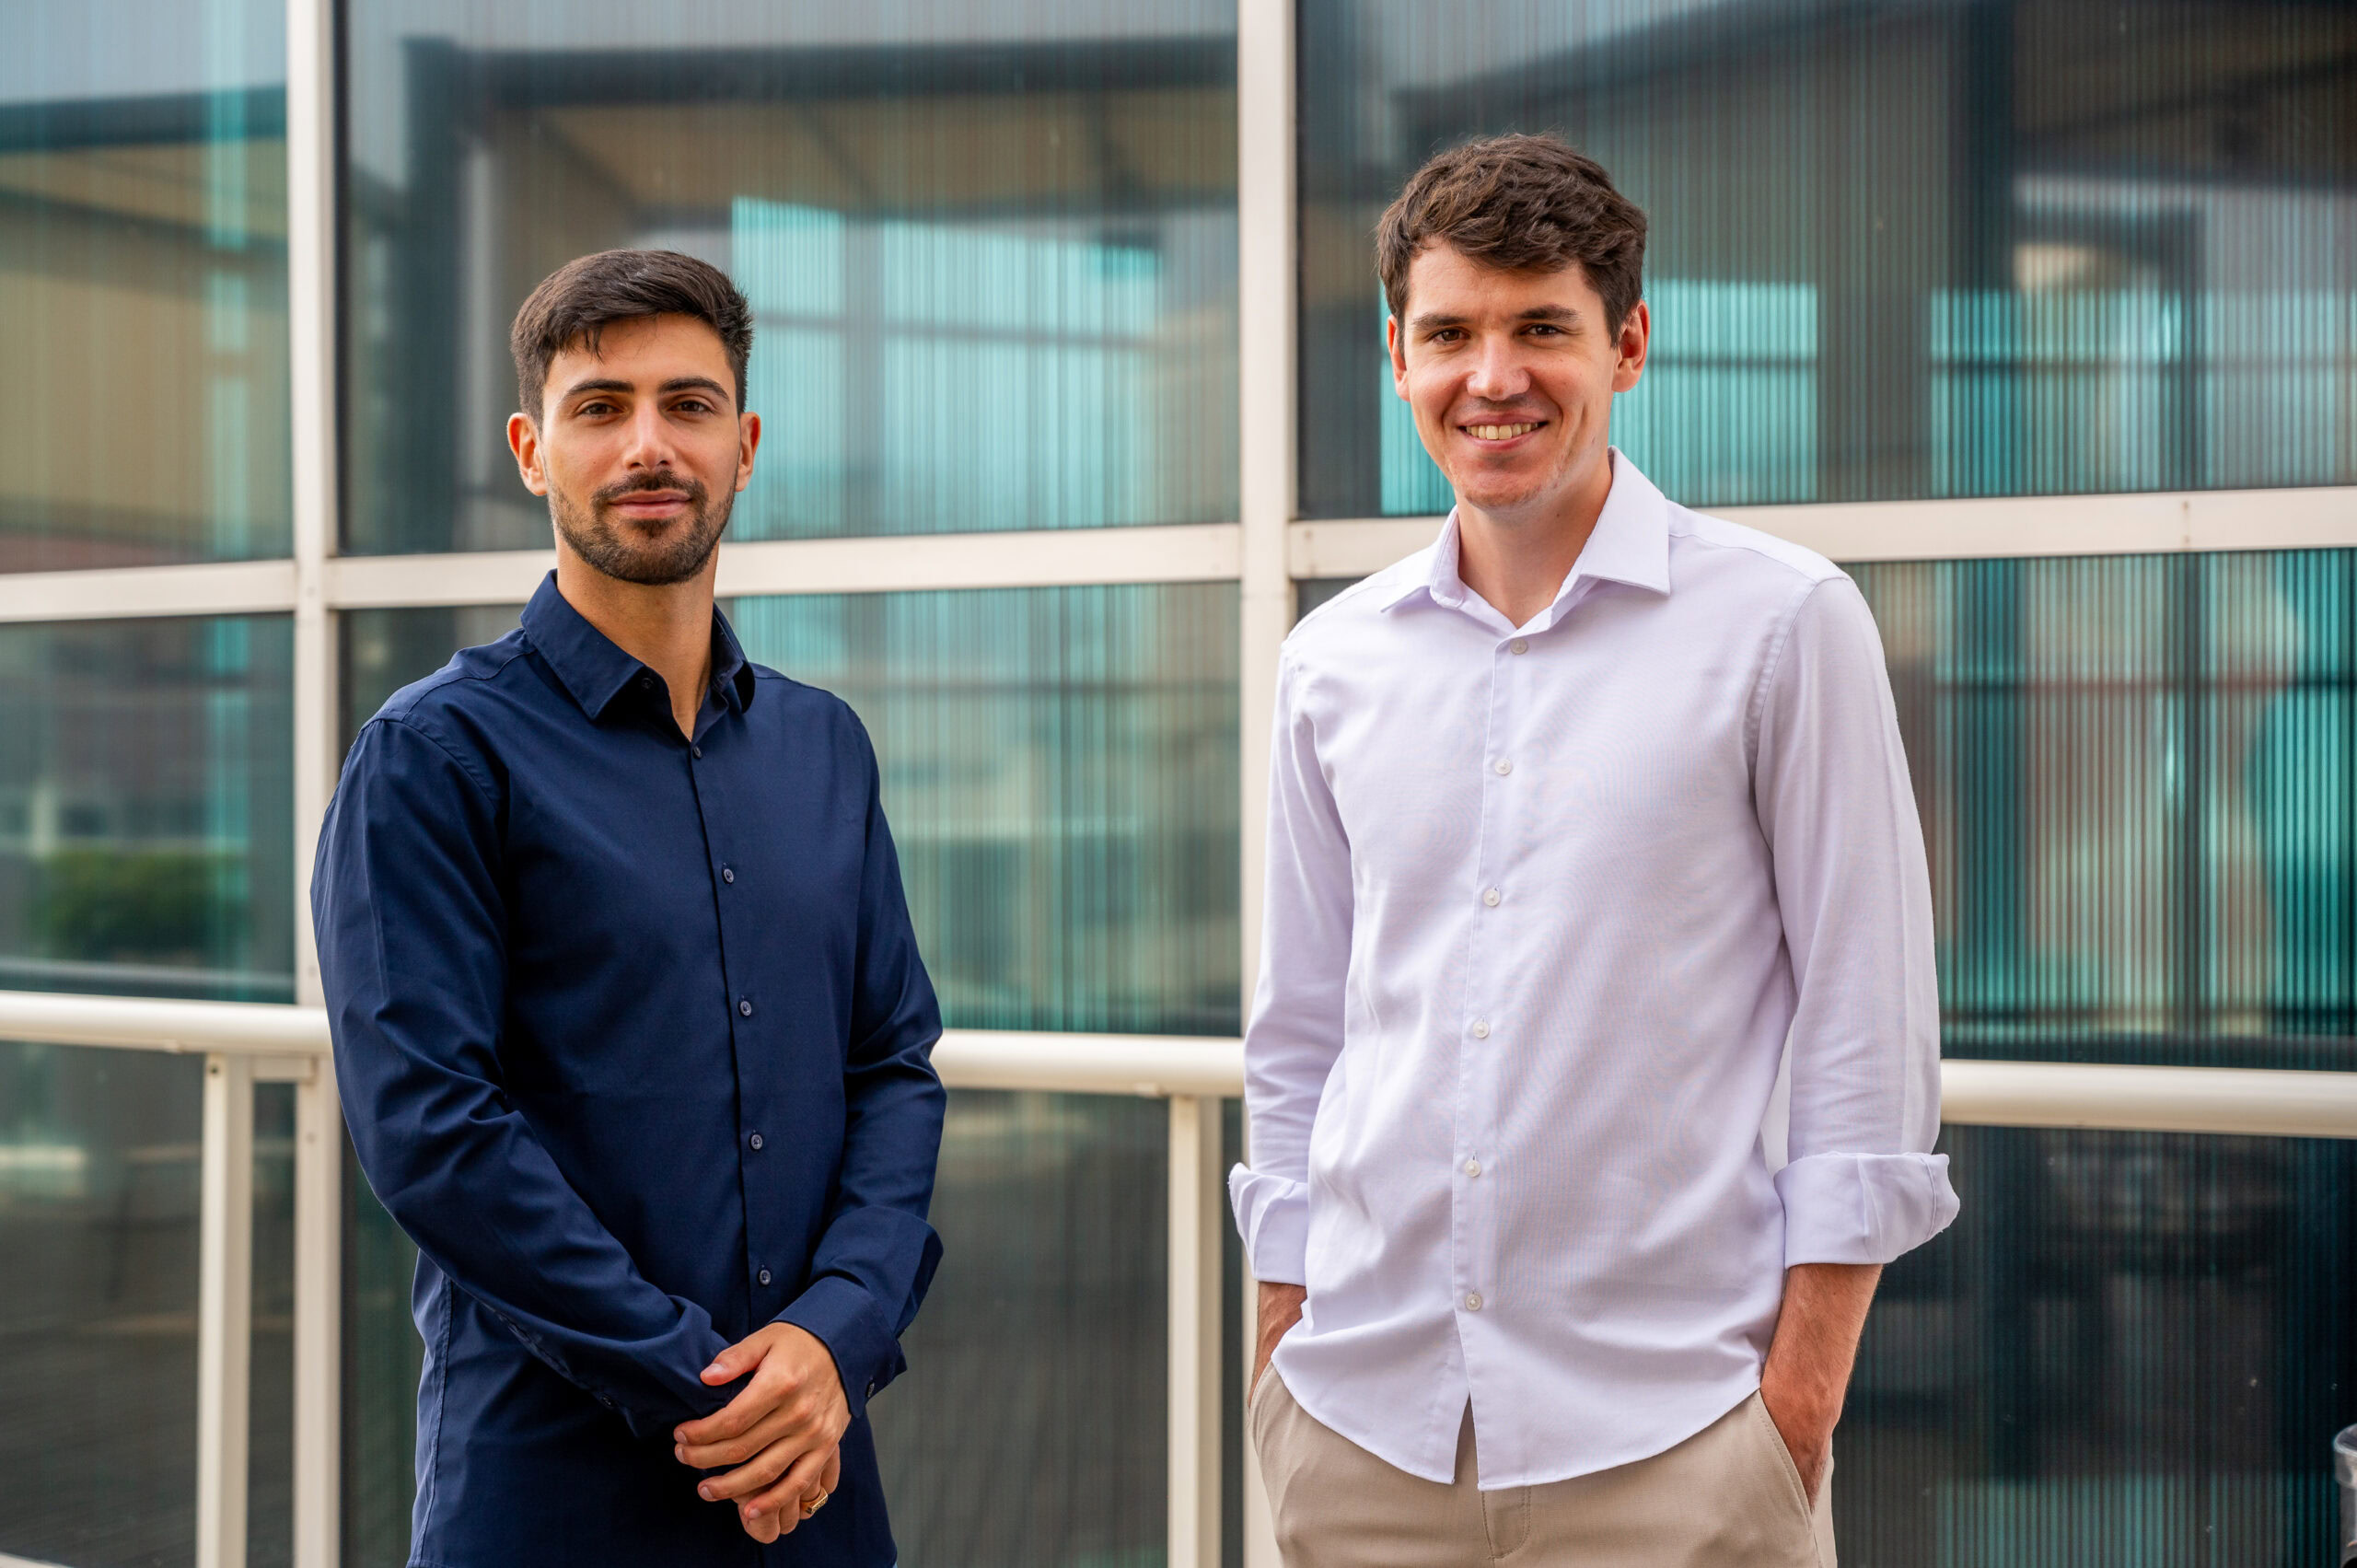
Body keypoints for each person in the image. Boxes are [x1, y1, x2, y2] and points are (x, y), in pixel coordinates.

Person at [1229, 134, 1959, 1566]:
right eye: (1450, 333)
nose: (1492, 376)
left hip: (1679, 1447)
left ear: (1627, 345)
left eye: (1541, 328)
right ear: (1396, 357)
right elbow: (1301, 1029)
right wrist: (1280, 1342)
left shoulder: (1782, 625)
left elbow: (1867, 1027)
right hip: (1361, 1440)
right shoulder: (1330, 662)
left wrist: (1795, 1410)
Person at [314, 250, 946, 1565]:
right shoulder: (434, 757)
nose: (648, 445)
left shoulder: (826, 749)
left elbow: (892, 1066)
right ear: (531, 451)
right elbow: (433, 1130)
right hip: (549, 1490)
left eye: (688, 404)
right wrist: (713, 1394)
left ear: (744, 446)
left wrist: (835, 1334)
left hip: (815, 1476)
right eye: (600, 408)